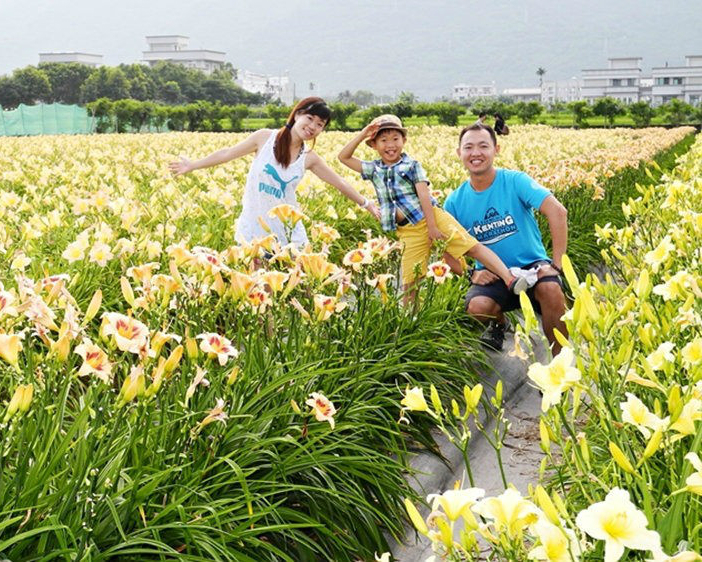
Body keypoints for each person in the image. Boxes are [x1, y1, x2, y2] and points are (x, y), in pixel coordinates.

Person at [338, 114, 527, 304]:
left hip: (432, 217)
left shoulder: (411, 165)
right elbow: (343, 157)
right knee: (410, 282)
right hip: (407, 231)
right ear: (374, 145)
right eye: (383, 140)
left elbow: (423, 196)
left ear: (404, 140)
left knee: (471, 247)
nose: (390, 145)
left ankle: (509, 278)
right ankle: (412, 321)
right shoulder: (374, 169)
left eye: (396, 139)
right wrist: (363, 133)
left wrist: (432, 227)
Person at [169, 97, 379, 249]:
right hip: (256, 224)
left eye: (320, 124)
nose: (312, 127)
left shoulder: (309, 157)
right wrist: (193, 165)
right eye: (310, 118)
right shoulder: (264, 138)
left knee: (303, 285)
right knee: (261, 290)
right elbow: (227, 153)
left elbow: (339, 182)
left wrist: (367, 204)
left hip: (288, 228)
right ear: (297, 115)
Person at [444, 123, 568, 353]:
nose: (476, 153)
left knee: (551, 291)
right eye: (468, 147)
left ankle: (558, 366)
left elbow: (557, 212)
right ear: (459, 153)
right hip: (494, 275)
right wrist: (472, 273)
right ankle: (499, 323)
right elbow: (446, 250)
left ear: (496, 149)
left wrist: (557, 266)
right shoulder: (454, 201)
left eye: (483, 146)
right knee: (476, 306)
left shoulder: (514, 181)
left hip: (532, 267)